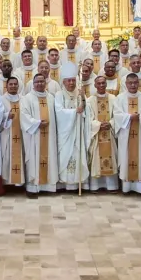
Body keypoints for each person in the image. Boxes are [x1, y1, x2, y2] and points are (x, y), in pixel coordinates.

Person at [113, 73, 141, 194]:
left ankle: (140, 187)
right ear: (126, 84)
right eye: (130, 83)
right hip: (125, 134)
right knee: (126, 157)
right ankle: (126, 186)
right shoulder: (120, 98)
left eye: (135, 83)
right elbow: (117, 114)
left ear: (139, 83)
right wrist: (130, 117)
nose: (132, 85)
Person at [20, 73, 59, 197]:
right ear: (33, 84)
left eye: (42, 81)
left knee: (50, 157)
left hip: (50, 136)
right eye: (37, 82)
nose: (40, 84)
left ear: (45, 83)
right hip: (34, 136)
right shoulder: (27, 98)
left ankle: (49, 187)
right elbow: (24, 115)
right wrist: (37, 123)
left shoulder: (51, 98)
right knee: (34, 159)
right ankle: (33, 188)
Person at [54, 63, 88, 191]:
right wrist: (74, 112)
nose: (71, 83)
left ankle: (78, 182)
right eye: (69, 80)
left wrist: (83, 99)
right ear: (64, 81)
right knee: (65, 156)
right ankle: (65, 183)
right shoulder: (59, 94)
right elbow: (59, 112)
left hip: (77, 130)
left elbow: (86, 110)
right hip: (65, 133)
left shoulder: (79, 93)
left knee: (77, 154)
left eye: (73, 80)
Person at [85, 75, 120, 192]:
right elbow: (88, 118)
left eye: (103, 83)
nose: (101, 85)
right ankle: (96, 185)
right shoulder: (89, 100)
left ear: (106, 84)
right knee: (96, 159)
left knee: (111, 158)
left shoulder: (114, 98)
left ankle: (112, 186)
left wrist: (110, 123)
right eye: (98, 83)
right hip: (97, 134)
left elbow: (118, 115)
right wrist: (99, 125)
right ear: (94, 85)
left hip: (110, 133)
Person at [0, 77, 26, 189]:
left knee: (21, 155)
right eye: (11, 84)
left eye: (15, 84)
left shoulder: (23, 99)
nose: (13, 86)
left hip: (21, 133)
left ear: (18, 86)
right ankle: (7, 184)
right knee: (7, 157)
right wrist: (6, 116)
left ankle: (19, 183)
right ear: (7, 85)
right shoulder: (1, 99)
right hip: (7, 133)